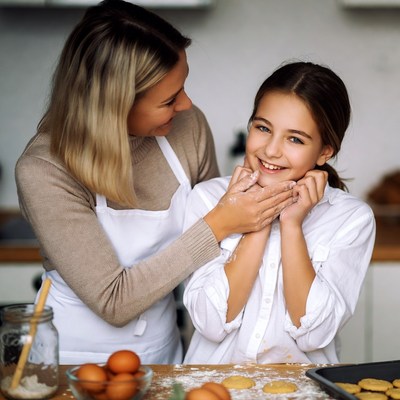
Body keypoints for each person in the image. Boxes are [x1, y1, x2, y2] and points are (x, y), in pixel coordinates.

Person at [15, 0, 295, 365]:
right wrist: (220, 222)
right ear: (114, 106)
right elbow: (113, 301)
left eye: (183, 88)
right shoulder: (44, 170)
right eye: (169, 99)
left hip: (164, 352)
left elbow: (215, 266)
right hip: (70, 358)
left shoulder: (187, 128)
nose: (186, 104)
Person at [182, 61, 376, 364]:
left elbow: (313, 332)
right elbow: (210, 323)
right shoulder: (207, 200)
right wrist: (255, 215)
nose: (271, 150)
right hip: (213, 389)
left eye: (295, 139)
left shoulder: (351, 219)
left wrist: (292, 226)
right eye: (262, 128)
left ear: (325, 151)